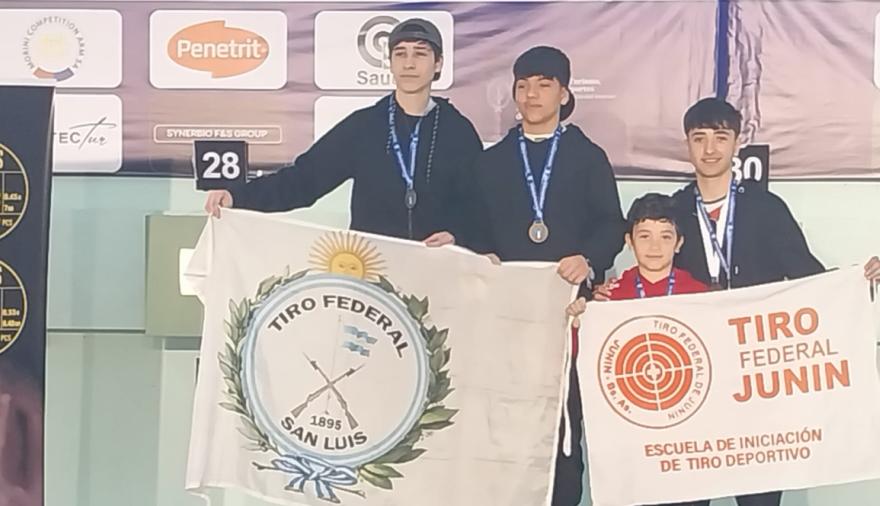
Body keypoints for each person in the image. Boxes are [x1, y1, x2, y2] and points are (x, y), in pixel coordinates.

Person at [597, 97, 880, 506]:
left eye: (720, 137)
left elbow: (806, 275)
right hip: (693, 378)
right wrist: (608, 302)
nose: (710, 148)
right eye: (699, 138)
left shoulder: (766, 208)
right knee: (688, 495)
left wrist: (853, 282)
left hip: (754, 377)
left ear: (737, 143)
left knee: (758, 496)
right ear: (687, 144)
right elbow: (651, 279)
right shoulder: (674, 212)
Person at [469, 46, 626, 506]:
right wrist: (481, 255)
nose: (531, 94)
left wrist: (589, 258)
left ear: (564, 93)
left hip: (568, 317)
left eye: (543, 84)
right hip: (507, 321)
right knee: (507, 423)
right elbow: (473, 228)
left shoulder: (587, 157)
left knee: (564, 427)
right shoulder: (491, 161)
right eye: (522, 85)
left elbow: (611, 225)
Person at [203, 18, 482, 246]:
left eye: (420, 54)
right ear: (390, 63)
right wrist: (238, 197)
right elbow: (304, 180)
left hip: (438, 271)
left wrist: (458, 235)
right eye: (400, 54)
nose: (409, 64)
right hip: (372, 270)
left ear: (438, 63)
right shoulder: (364, 126)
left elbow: (478, 204)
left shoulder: (458, 132)